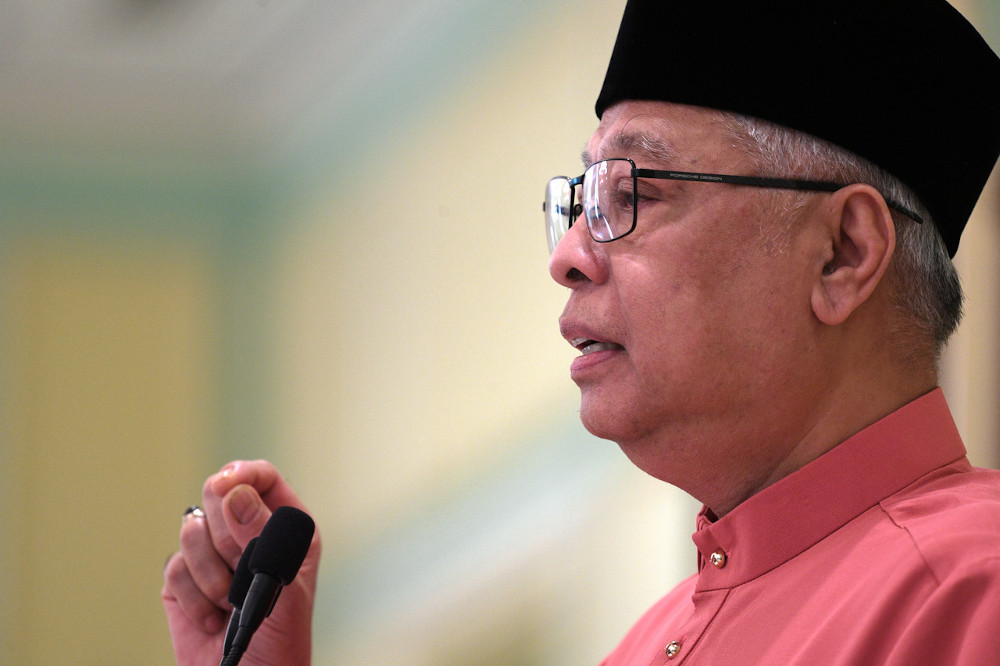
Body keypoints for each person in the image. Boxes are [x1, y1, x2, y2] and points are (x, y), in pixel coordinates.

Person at [162, 0, 1000, 663]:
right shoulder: (643, 647)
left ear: (843, 254)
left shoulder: (972, 594)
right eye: (580, 199)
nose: (568, 256)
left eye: (631, 192)